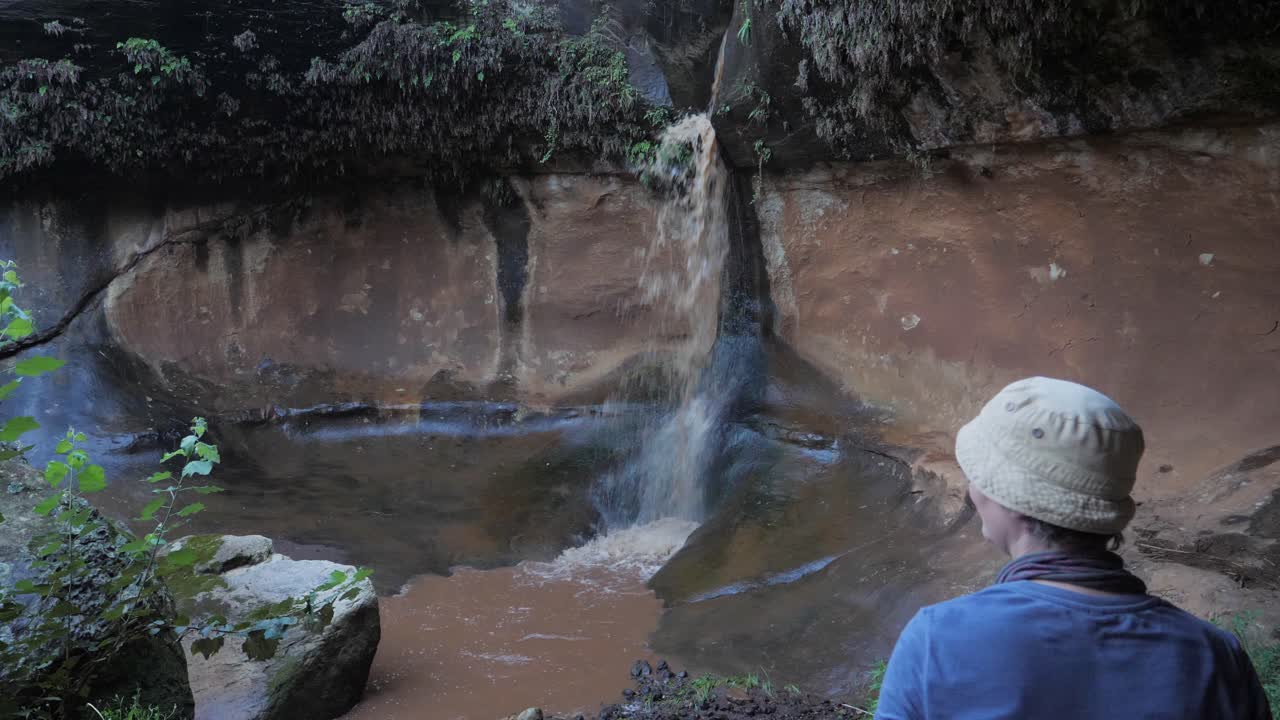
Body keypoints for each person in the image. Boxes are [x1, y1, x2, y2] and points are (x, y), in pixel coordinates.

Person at [874, 377, 1272, 719]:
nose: (970, 488)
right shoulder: (1214, 657)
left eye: (979, 477)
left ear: (1009, 502)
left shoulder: (938, 641)